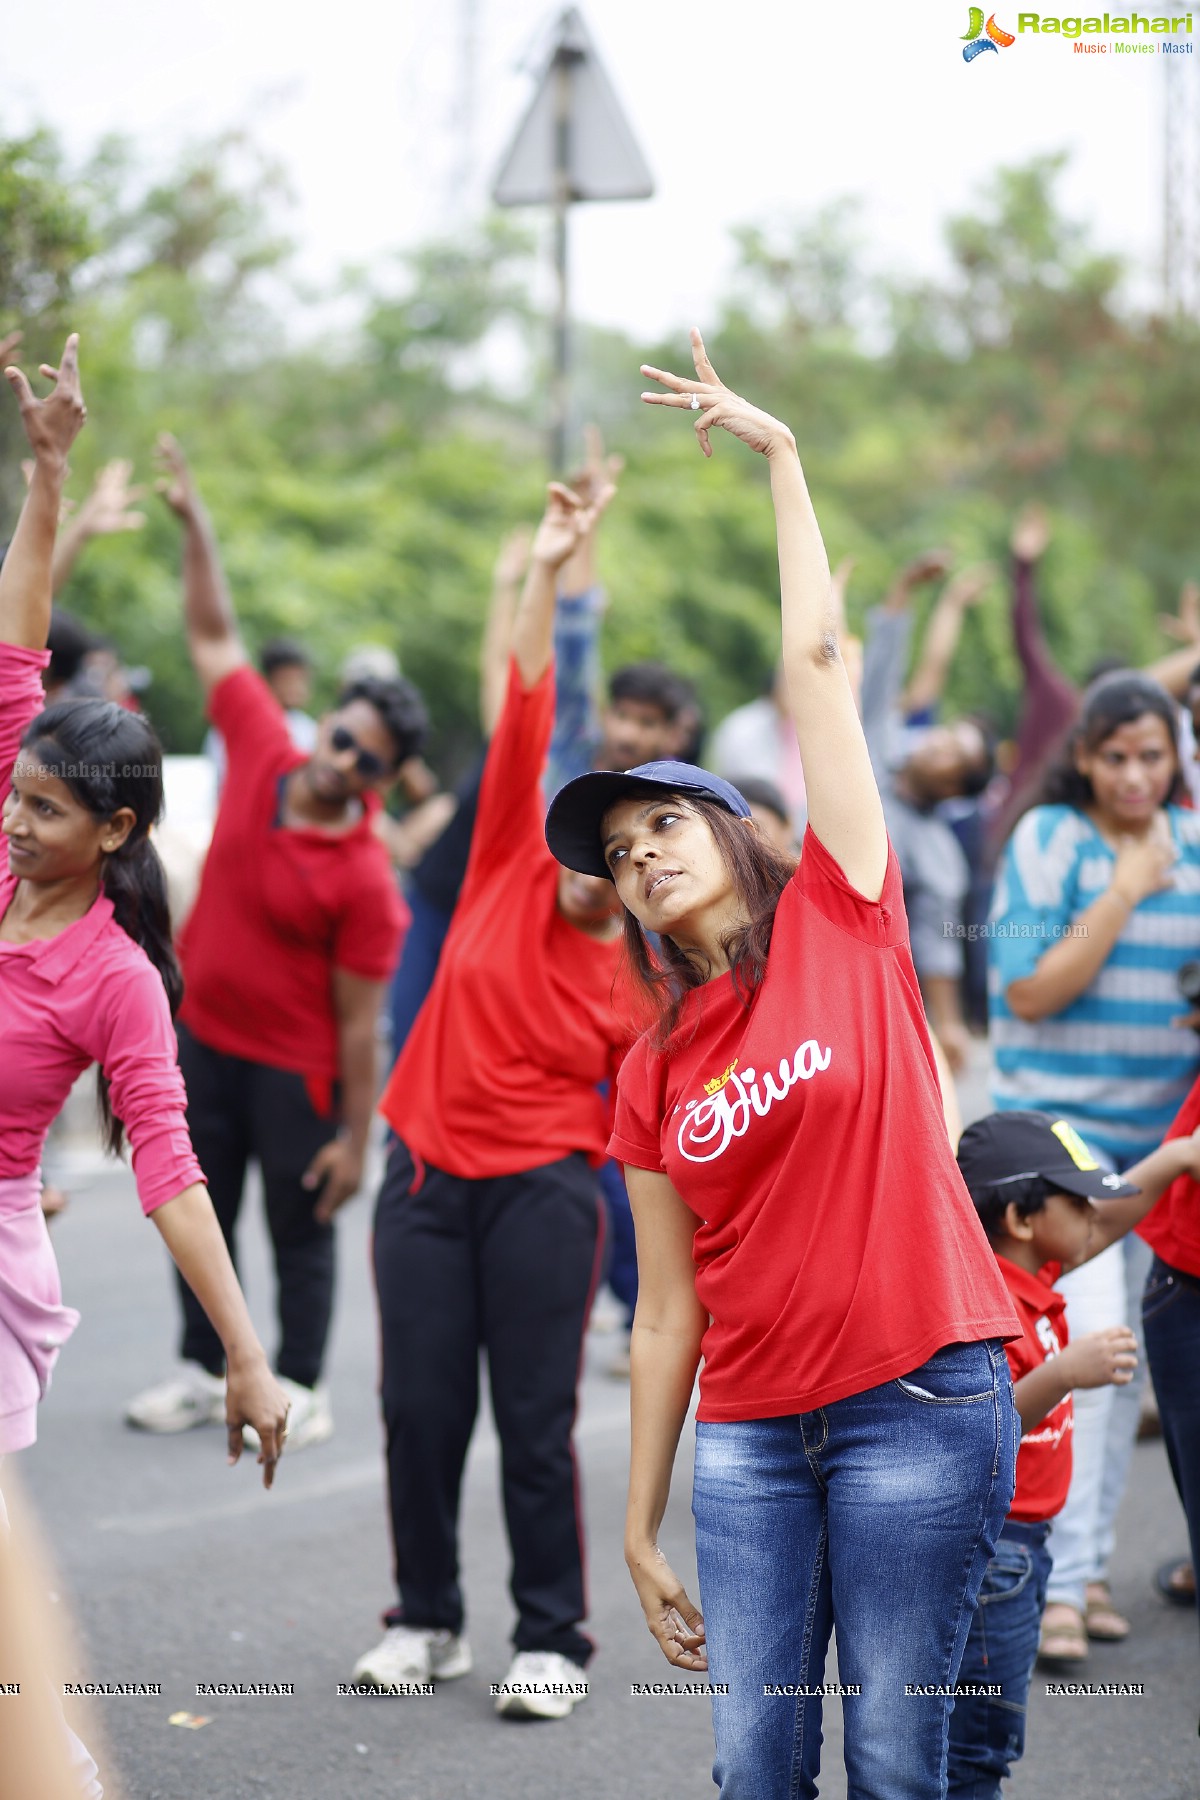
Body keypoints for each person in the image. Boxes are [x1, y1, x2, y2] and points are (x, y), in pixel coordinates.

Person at [545, 331, 1020, 1799]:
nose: (638, 859)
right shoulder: (653, 1067)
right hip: (751, 1444)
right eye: (618, 856)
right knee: (756, 1770)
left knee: (894, 1761)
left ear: (731, 824)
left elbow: (818, 660)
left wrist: (783, 458)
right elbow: (665, 1312)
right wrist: (636, 1524)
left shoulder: (845, 909)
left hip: (917, 1407)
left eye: (662, 827)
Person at [353, 477, 632, 1720]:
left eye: (631, 851)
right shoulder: (510, 859)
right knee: (418, 1409)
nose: (603, 863)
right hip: (419, 1172)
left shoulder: (646, 985)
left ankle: (554, 1638)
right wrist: (550, 565)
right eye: (594, 839)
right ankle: (426, 1620)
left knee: (532, 1418)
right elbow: (527, 690)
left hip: (543, 1193)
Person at [124, 435, 422, 1450]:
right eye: (342, 736)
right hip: (200, 1035)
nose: (344, 760)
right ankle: (204, 1368)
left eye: (368, 760)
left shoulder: (366, 883)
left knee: (300, 1230)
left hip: (294, 1073)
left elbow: (358, 1024)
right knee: (188, 1202)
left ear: (383, 778)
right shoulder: (260, 743)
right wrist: (196, 523)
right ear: (325, 721)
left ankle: (298, 1380)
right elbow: (213, 636)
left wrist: (352, 1135)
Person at [988, 669, 1200, 1664]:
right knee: (1090, 1349)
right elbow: (1029, 990)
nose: (1133, 775)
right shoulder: (1049, 843)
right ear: (1082, 758)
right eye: (1114, 756)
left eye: (1152, 756)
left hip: (1170, 1139)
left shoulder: (1195, 847)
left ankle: (1090, 1572)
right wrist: (1123, 890)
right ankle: (1059, 1587)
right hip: (1066, 1143)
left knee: (1142, 1360)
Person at [948, 1108, 1200, 1797]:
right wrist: (1062, 1373)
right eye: (1075, 1198)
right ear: (1023, 1220)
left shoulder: (1033, 1265)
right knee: (975, 1747)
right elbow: (978, 1426)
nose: (1095, 1212)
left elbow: (1108, 1223)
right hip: (991, 1555)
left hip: (1025, 1550)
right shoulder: (987, 1306)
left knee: (988, 1735)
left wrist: (1176, 1156)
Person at [860, 554, 996, 1072]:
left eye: (953, 756)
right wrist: (902, 591)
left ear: (954, 788)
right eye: (944, 736)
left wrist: (952, 1024)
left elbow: (937, 944)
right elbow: (883, 674)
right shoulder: (873, 744)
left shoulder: (939, 857)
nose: (937, 743)